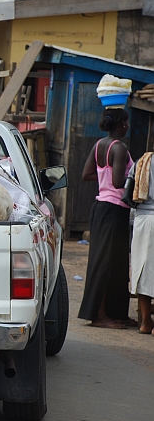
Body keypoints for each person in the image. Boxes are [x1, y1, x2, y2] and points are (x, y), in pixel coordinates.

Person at [78, 106, 136, 329]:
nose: (128, 126)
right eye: (126, 122)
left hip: (102, 207)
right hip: (113, 209)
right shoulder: (119, 148)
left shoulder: (99, 145)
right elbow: (119, 182)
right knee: (104, 264)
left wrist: (104, 177)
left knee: (117, 264)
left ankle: (117, 313)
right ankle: (100, 316)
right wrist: (137, 174)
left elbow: (87, 174)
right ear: (121, 125)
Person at [128, 152, 154, 334]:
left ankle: (145, 322)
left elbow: (128, 190)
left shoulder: (141, 161)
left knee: (143, 270)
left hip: (142, 219)